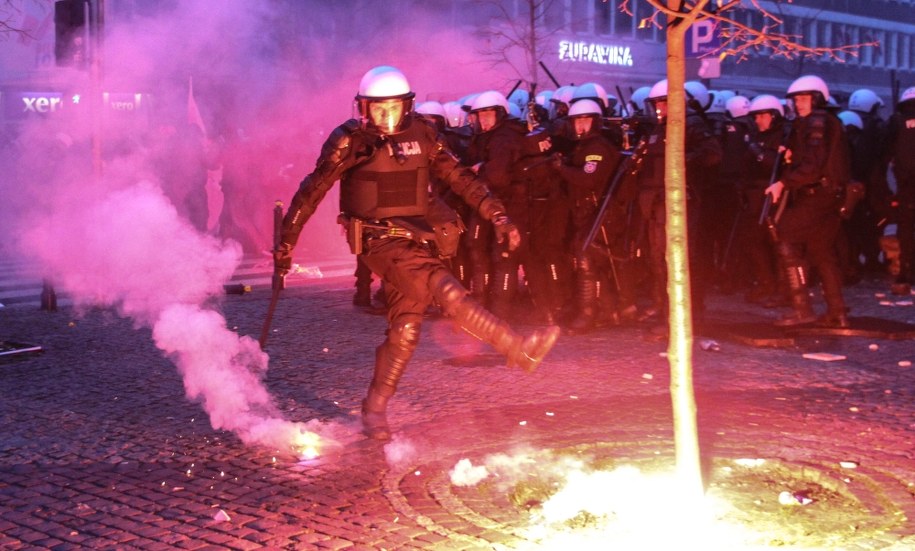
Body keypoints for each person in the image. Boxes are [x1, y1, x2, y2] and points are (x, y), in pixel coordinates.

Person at [273, 66, 560, 440]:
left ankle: (373, 409)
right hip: (379, 240)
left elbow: (460, 177)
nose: (385, 117)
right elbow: (313, 188)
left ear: (407, 106)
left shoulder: (423, 133)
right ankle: (516, 347)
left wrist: (498, 215)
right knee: (445, 288)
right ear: (363, 107)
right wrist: (287, 239)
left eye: (393, 109)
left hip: (418, 236)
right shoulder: (350, 140)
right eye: (377, 109)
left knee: (406, 332)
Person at [765, 75, 851, 328]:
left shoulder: (817, 122)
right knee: (821, 252)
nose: (799, 104)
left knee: (784, 234)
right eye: (796, 100)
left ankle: (802, 308)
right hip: (828, 195)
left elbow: (813, 166)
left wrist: (784, 182)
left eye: (804, 99)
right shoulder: (821, 122)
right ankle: (838, 311)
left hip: (817, 194)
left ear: (817, 99)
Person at [553, 99, 626, 334]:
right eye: (577, 121)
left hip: (599, 212)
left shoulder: (597, 148)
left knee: (587, 260)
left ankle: (588, 314)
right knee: (589, 261)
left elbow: (588, 179)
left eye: (585, 120)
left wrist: (562, 169)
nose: (580, 125)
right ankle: (608, 309)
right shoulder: (583, 147)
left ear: (595, 122)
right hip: (585, 211)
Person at [885, 86, 915, 295]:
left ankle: (906, 270)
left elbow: (885, 153)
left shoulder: (896, 122)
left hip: (905, 186)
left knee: (905, 229)